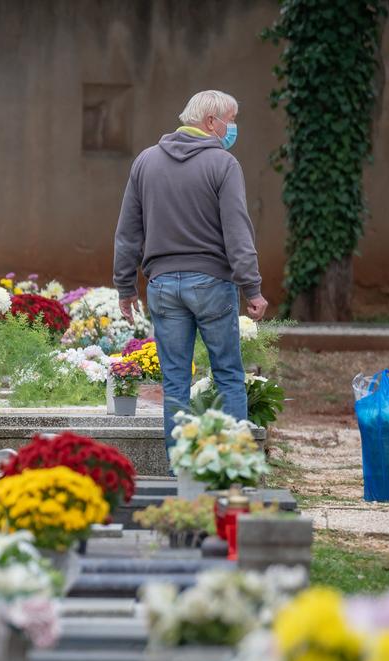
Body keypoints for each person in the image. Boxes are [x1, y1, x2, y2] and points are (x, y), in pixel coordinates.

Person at [113, 89, 268, 456]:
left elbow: (127, 231)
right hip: (212, 284)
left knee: (176, 382)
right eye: (230, 120)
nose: (233, 128)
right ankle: (230, 467)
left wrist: (125, 286)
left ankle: (180, 470)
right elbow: (237, 230)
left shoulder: (146, 161)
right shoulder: (223, 165)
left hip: (163, 286)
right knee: (229, 376)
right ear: (211, 122)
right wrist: (253, 287)